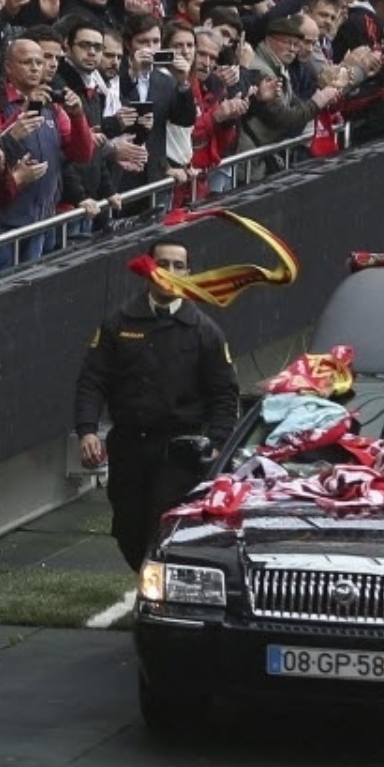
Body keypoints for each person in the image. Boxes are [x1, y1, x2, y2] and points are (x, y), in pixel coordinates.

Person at [74, 240, 241, 570]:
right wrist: (87, 430)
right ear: (148, 270)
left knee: (162, 524)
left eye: (179, 265)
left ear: (188, 273)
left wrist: (217, 443)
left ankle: (156, 588)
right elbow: (92, 381)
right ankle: (145, 576)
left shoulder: (205, 331)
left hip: (179, 450)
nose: (171, 272)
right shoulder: (119, 323)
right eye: (163, 264)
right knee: (127, 527)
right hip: (128, 445)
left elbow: (225, 394)